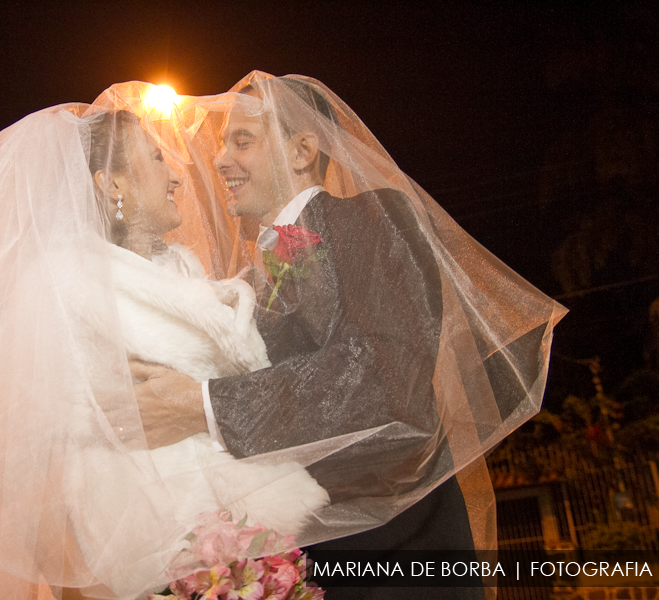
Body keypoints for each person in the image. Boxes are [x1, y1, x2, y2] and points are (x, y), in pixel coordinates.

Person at [0, 86, 329, 600]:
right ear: (112, 185)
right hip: (142, 522)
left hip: (236, 519)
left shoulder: (182, 269)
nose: (177, 174)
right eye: (156, 158)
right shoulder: (68, 280)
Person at [132, 72, 567, 599]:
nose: (221, 159)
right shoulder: (255, 278)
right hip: (307, 565)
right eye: (224, 143)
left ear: (302, 151)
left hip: (401, 556)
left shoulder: (372, 217)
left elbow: (384, 383)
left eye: (241, 141)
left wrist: (203, 404)